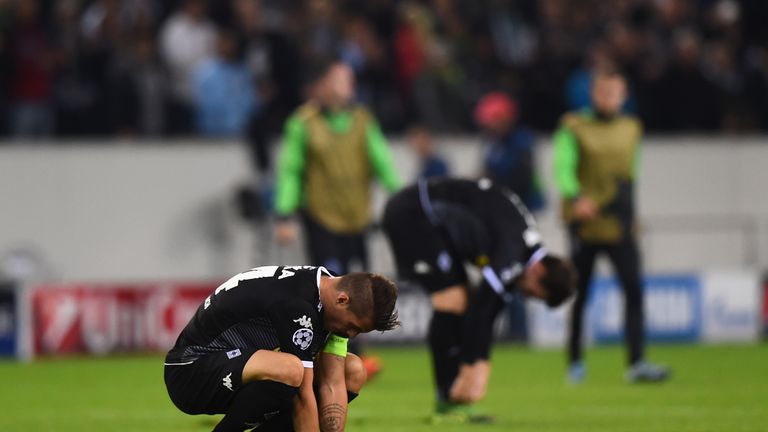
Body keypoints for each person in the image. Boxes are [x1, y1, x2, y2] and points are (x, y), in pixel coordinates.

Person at [382, 177, 575, 423]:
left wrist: (476, 362)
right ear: (540, 273)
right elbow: (483, 311)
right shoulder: (513, 249)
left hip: (432, 223)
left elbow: (489, 310)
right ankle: (447, 400)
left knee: (460, 299)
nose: (525, 296)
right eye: (533, 293)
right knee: (451, 299)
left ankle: (451, 399)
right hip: (414, 214)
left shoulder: (521, 247)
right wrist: (476, 367)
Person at [164, 265, 399, 431]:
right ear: (342, 300)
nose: (350, 334)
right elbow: (303, 397)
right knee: (291, 370)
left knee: (354, 369)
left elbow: (333, 382)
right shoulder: (299, 304)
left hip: (236, 368)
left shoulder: (331, 289)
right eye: (352, 326)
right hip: (190, 371)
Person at [553, 68, 669, 383]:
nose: (609, 98)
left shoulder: (632, 128)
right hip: (585, 225)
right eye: (604, 92)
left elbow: (631, 174)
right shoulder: (573, 126)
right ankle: (575, 361)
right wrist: (576, 198)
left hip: (619, 224)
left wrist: (631, 213)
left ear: (624, 95)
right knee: (579, 293)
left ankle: (636, 362)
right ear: (593, 94)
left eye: (615, 92)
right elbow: (562, 167)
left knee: (634, 290)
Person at [274, 60, 401, 275]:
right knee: (330, 286)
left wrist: (401, 198)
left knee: (360, 287)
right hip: (321, 218)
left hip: (358, 217)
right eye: (339, 80)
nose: (348, 86)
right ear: (322, 84)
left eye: (350, 80)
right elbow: (291, 171)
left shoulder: (363, 120)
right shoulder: (303, 122)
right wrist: (285, 214)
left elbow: (383, 163)